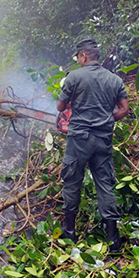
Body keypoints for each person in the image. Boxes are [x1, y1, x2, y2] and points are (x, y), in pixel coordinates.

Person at [56, 38, 130, 252]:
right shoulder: (114, 80)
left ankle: (70, 232)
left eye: (79, 57)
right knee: (105, 185)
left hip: (79, 139)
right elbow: (124, 109)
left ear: (84, 56)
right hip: (103, 140)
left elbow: (61, 106)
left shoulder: (74, 77)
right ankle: (112, 239)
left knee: (72, 181)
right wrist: (106, 120)